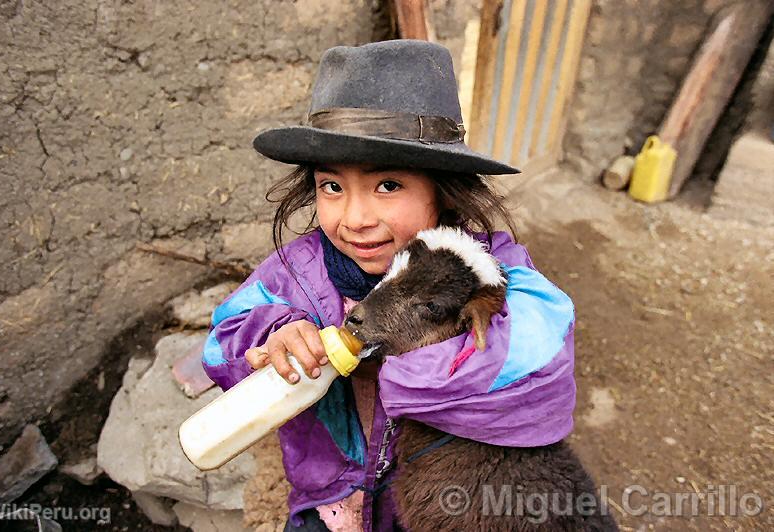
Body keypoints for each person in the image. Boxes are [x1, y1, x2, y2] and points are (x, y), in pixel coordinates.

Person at [201, 40, 577, 532]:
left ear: (443, 189)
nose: (355, 219)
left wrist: (392, 364)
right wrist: (276, 335)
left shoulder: (488, 270)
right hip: (327, 497)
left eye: (388, 186)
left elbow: (543, 355)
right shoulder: (297, 271)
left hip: (433, 500)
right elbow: (222, 340)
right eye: (331, 186)